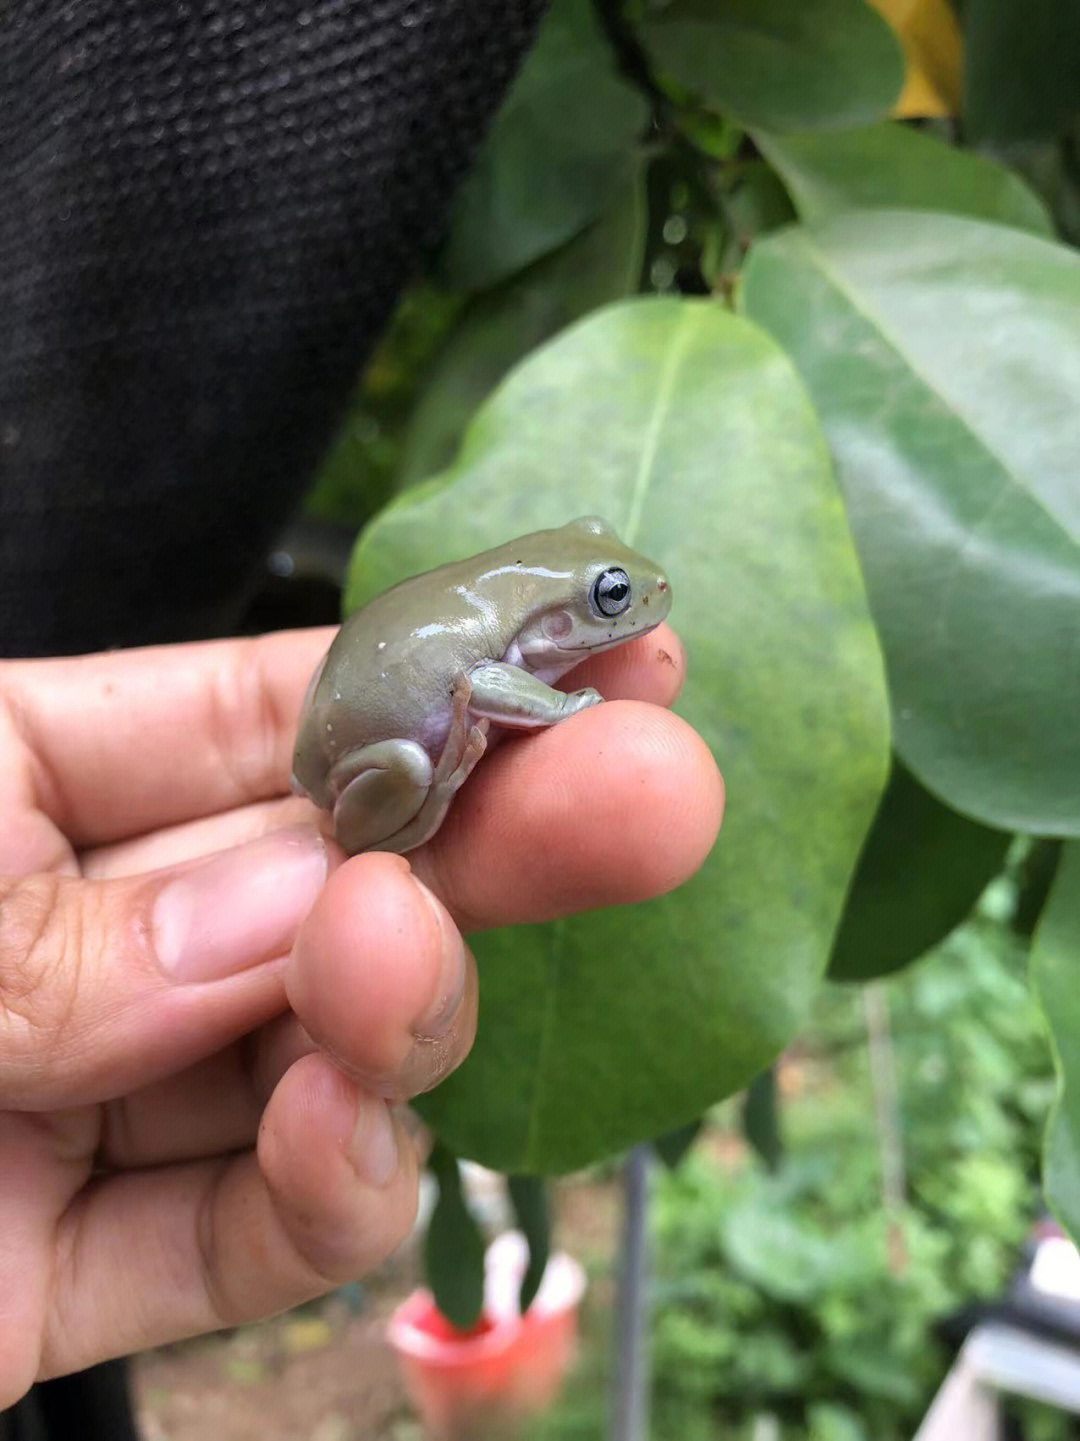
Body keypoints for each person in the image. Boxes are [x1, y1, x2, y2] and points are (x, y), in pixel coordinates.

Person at [1, 0, 723, 1430]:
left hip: (382, 689)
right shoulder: (523, 648)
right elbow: (503, 690)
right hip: (382, 744)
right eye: (602, 598)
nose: (620, 615)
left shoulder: (531, 616)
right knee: (443, 777)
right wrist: (519, 719)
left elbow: (522, 669)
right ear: (556, 605)